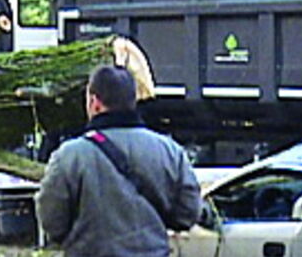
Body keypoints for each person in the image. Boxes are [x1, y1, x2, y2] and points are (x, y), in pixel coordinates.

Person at [35, 64, 201, 256]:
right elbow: (188, 213)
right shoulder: (170, 152)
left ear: (94, 102)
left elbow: (51, 218)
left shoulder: (70, 156)